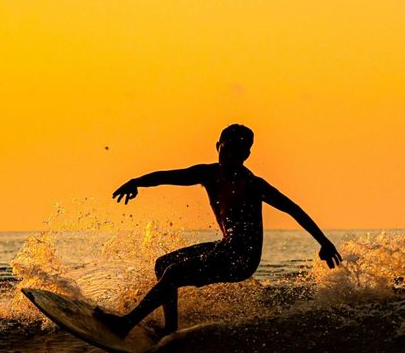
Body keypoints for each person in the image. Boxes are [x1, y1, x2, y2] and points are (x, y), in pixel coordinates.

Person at [98, 124, 342, 337]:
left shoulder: (253, 185)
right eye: (227, 149)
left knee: (172, 273)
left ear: (246, 154)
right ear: (218, 146)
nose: (230, 157)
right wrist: (137, 182)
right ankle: (169, 331)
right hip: (225, 248)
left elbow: (293, 209)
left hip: (243, 259)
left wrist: (324, 242)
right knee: (163, 265)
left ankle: (126, 324)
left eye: (237, 152)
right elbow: (168, 176)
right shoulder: (208, 173)